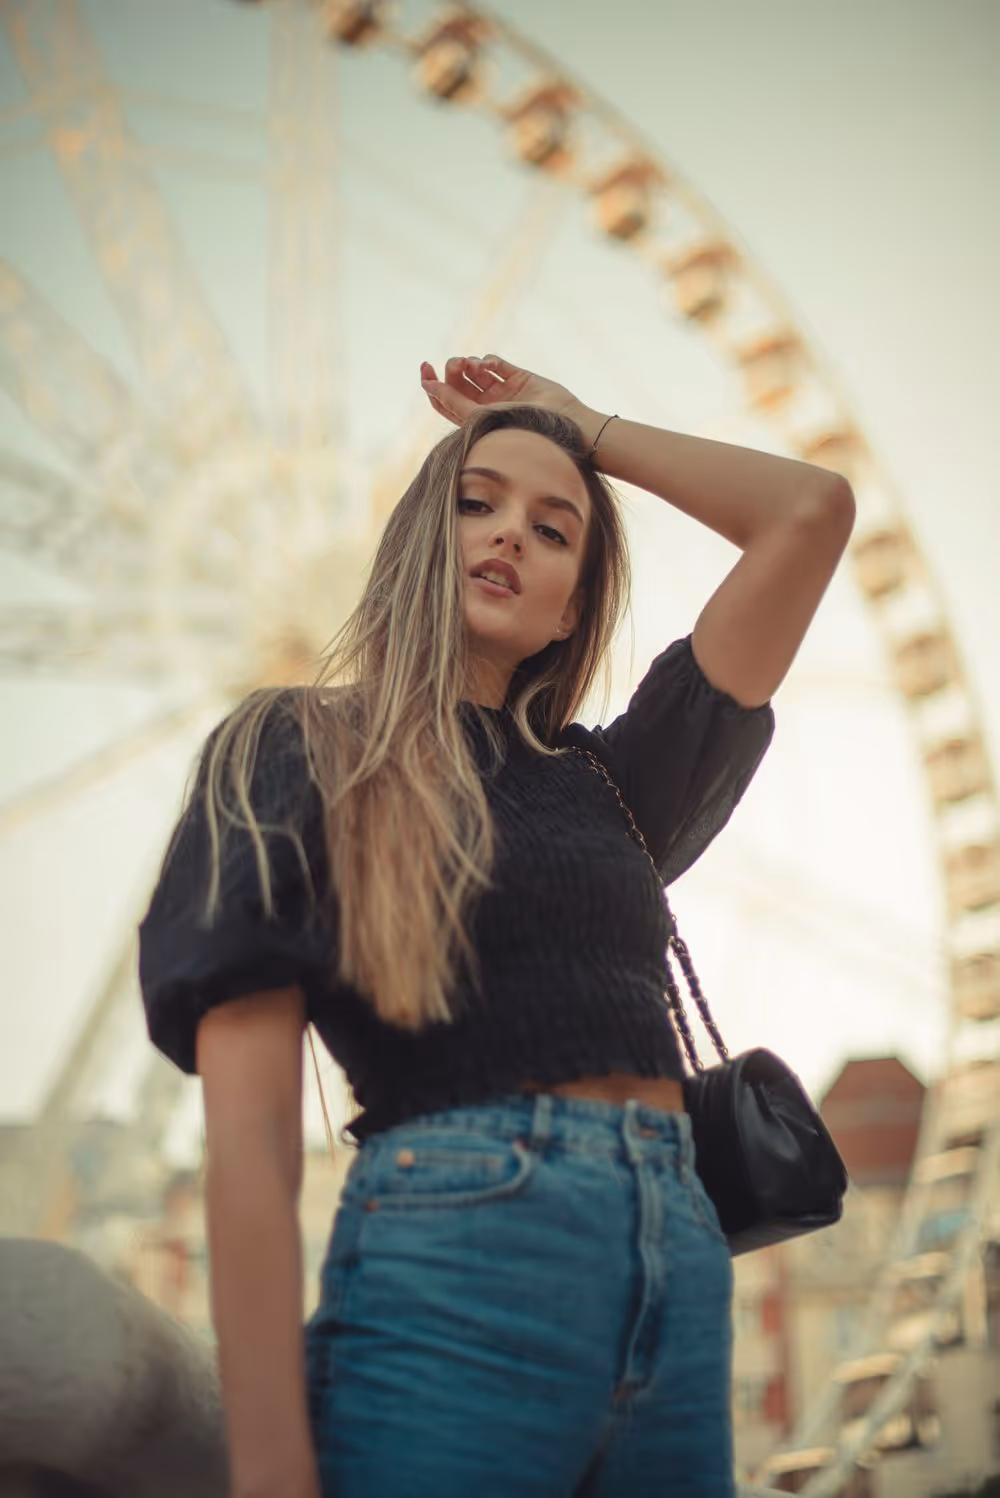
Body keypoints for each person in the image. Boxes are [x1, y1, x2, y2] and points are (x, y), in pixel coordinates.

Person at [138, 353, 856, 1498]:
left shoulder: (614, 783)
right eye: (476, 503)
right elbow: (255, 1136)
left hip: (678, 1265)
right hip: (458, 1250)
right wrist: (271, 1468)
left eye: (553, 527)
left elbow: (807, 513)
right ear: (421, 538)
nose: (509, 534)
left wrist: (581, 424)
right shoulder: (300, 747)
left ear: (572, 605)